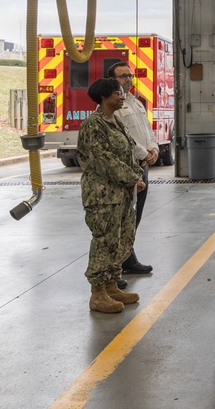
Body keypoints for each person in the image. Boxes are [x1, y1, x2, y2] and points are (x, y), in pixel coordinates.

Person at [77, 77, 145, 314]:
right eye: (117, 92)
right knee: (104, 240)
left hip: (121, 194)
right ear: (104, 97)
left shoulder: (115, 122)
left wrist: (136, 172)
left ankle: (111, 286)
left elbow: (128, 151)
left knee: (120, 240)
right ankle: (97, 294)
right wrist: (131, 177)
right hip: (103, 196)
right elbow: (102, 160)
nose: (122, 95)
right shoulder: (93, 125)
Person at [108, 62, 157, 285]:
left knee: (134, 216)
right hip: (129, 165)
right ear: (112, 81)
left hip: (142, 163)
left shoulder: (135, 102)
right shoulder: (114, 106)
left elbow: (147, 129)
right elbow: (123, 136)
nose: (128, 79)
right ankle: (114, 268)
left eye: (129, 75)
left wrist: (154, 148)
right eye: (122, 77)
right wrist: (143, 152)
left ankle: (128, 259)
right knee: (122, 218)